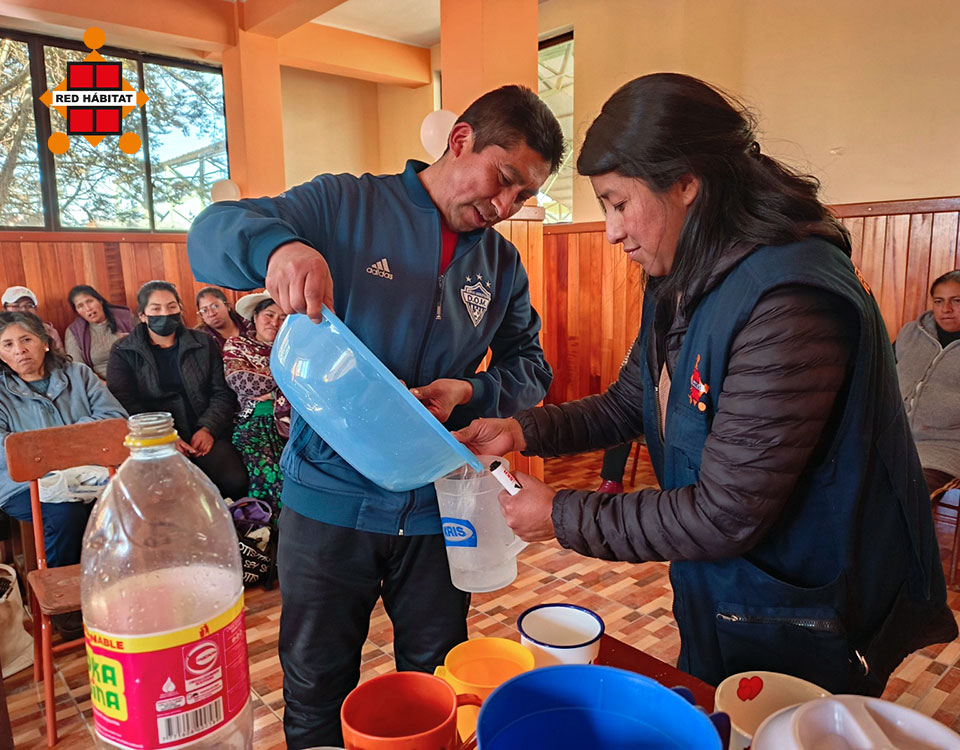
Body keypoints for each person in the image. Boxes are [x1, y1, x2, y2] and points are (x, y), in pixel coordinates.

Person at [455, 73, 956, 697]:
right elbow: (629, 402)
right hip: (722, 586)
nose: (611, 231)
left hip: (798, 602)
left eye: (617, 202)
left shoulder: (788, 298)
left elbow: (726, 513)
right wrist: (521, 428)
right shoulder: (682, 277)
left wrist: (559, 513)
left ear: (687, 181)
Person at [188, 84, 562, 747]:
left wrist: (467, 392)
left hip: (435, 507)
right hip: (327, 501)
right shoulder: (347, 203)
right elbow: (212, 233)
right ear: (461, 140)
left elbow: (531, 366)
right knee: (315, 685)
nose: (505, 206)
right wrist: (278, 249)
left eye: (524, 196)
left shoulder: (501, 264)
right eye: (504, 180)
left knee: (437, 679)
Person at [0, 311, 127, 569]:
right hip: (23, 483)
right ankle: (63, 597)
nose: (19, 351)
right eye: (8, 344)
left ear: (44, 342)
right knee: (65, 516)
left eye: (26, 340)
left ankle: (115, 578)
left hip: (90, 472)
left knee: (127, 504)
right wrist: (69, 444)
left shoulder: (78, 374)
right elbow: (4, 446)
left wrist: (53, 446)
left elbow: (114, 418)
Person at [107, 280, 248, 500]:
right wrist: (166, 437)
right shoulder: (124, 351)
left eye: (172, 306)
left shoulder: (203, 343)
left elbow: (222, 392)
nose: (165, 313)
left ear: (180, 309)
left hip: (203, 431)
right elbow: (125, 402)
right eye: (156, 309)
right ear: (143, 315)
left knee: (234, 481)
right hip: (156, 437)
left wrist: (208, 428)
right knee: (172, 494)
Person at [895, 269, 960, 494]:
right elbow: (881, 375)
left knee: (904, 495)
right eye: (939, 301)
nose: (946, 309)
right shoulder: (912, 334)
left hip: (944, 451)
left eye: (957, 301)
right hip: (892, 439)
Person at [223, 292, 289, 506]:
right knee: (272, 474)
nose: (274, 322)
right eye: (269, 315)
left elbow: (310, 383)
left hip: (294, 421)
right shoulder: (237, 345)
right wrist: (286, 379)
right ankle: (265, 527)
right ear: (255, 317)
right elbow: (241, 380)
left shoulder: (293, 349)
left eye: (282, 317)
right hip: (255, 422)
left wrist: (271, 393)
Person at [64, 285, 136, 382]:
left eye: (90, 301)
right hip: (101, 385)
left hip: (136, 377)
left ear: (100, 301)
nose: (88, 308)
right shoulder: (74, 332)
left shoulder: (125, 317)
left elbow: (148, 345)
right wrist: (103, 386)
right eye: (80, 306)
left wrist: (135, 342)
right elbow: (78, 369)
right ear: (77, 312)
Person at [2, 285, 63, 351]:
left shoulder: (49, 331)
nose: (24, 310)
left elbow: (62, 358)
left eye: (29, 305)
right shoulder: (2, 334)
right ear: (5, 310)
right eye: (16, 306)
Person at [195, 286, 252, 352]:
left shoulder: (249, 325)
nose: (211, 314)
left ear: (227, 306)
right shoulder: (200, 340)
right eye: (204, 310)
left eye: (215, 306)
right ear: (201, 315)